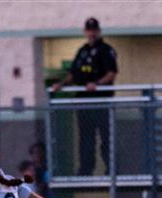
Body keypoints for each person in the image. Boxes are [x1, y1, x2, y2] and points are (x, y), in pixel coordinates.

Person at [50, 17, 118, 176]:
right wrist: (61, 85)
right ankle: (86, 169)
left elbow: (111, 74)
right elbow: (73, 74)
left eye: (94, 30)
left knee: (106, 138)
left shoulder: (106, 50)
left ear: (98, 31)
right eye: (89, 30)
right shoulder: (83, 51)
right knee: (86, 139)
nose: (91, 33)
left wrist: (97, 84)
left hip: (102, 102)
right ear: (85, 31)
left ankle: (111, 169)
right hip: (84, 103)